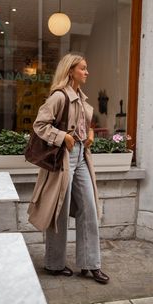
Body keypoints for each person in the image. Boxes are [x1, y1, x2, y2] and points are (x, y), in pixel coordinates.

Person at [27, 53, 109, 284]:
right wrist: (62, 137)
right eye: (83, 68)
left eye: (86, 68)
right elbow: (39, 125)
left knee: (89, 208)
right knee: (59, 210)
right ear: (70, 71)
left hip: (82, 156)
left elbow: (83, 127)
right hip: (63, 158)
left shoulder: (82, 99)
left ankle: (90, 265)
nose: (87, 72)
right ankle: (54, 264)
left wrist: (90, 134)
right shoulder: (59, 97)